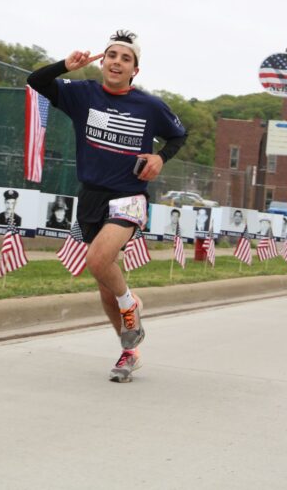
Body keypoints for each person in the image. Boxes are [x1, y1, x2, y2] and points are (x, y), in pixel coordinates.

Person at [27, 30, 187, 383]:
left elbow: (179, 134)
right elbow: (35, 80)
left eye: (125, 58)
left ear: (135, 70)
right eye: (111, 55)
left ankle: (132, 305)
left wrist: (160, 158)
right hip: (92, 196)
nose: (116, 61)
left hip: (129, 196)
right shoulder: (81, 95)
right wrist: (65, 66)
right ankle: (129, 349)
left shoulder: (149, 106)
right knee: (103, 282)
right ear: (103, 62)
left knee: (98, 261)